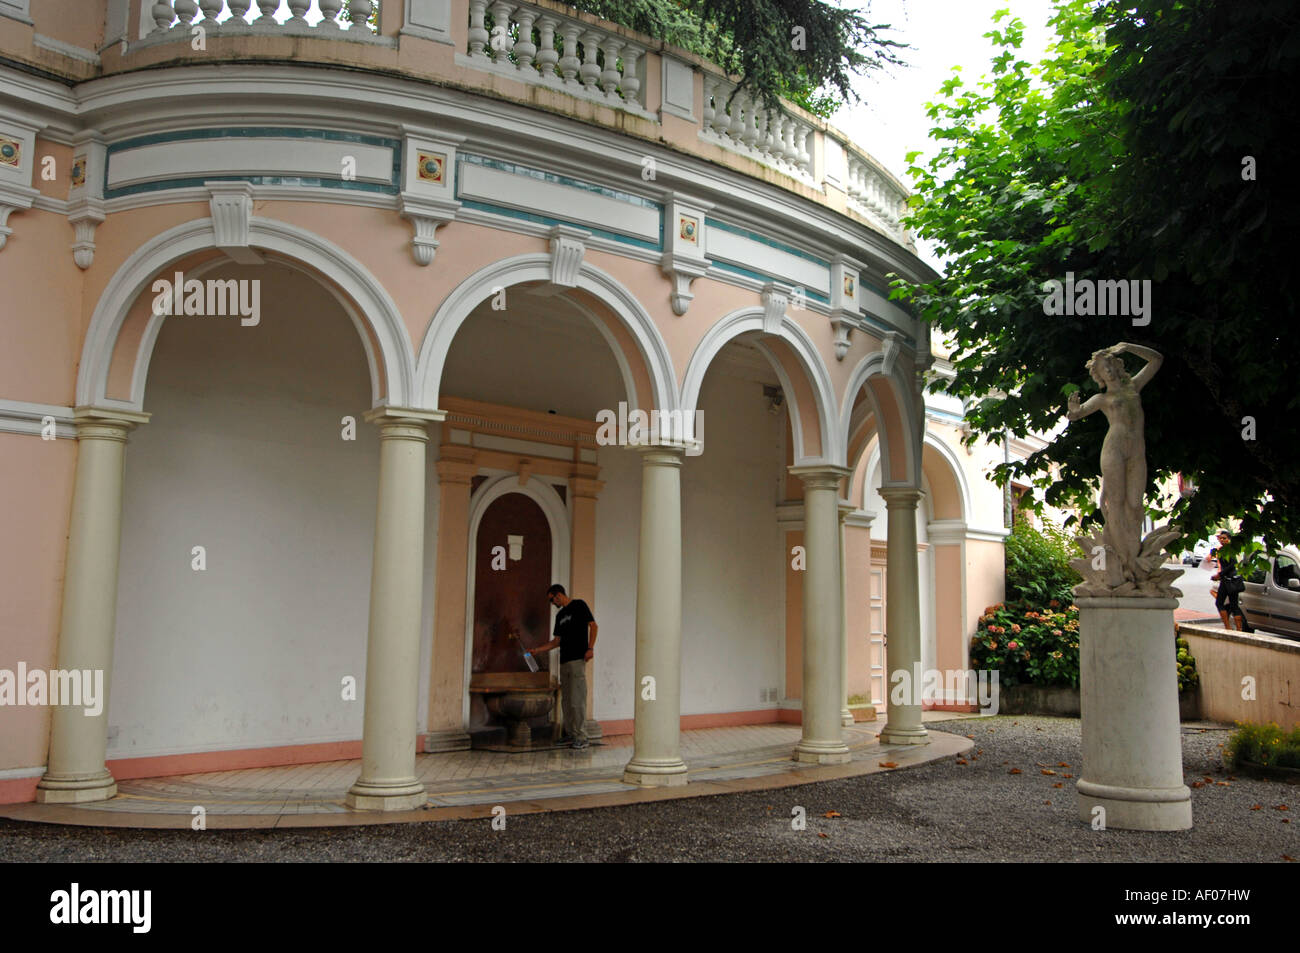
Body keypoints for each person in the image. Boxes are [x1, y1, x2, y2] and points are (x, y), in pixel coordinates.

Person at [526, 584, 597, 748]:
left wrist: (590, 648)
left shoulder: (579, 605)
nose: (552, 603)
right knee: (567, 701)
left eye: (552, 599)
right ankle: (571, 734)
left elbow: (593, 626)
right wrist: (537, 650)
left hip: (577, 659)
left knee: (577, 700)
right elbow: (556, 642)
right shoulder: (560, 616)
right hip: (564, 662)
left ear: (558, 595)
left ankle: (581, 736)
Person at [1211, 530, 1250, 631]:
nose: (1222, 540)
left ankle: (1229, 627)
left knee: (1220, 603)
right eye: (1221, 538)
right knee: (1233, 605)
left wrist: (1219, 574)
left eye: (1225, 538)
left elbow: (1232, 564)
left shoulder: (1230, 550)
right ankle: (1236, 628)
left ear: (1229, 539)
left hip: (1228, 580)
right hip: (1230, 580)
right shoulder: (1222, 550)